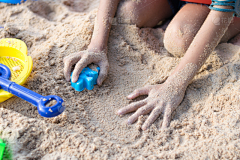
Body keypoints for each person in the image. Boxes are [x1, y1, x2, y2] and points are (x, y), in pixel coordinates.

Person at [63, 0, 240, 130]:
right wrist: (97, 46)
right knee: (128, 14)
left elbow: (223, 7)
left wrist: (175, 84)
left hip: (227, 6)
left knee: (180, 39)